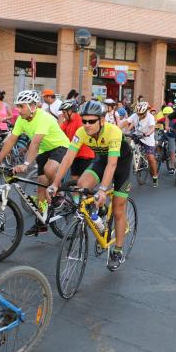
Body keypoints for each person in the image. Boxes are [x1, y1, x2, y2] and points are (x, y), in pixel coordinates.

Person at [48, 100, 132, 271]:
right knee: (81, 184)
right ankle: (97, 212)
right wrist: (55, 184)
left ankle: (117, 250)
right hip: (101, 161)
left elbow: (112, 165)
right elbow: (68, 158)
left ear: (102, 120)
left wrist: (102, 189)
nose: (86, 125)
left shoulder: (113, 131)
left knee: (117, 209)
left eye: (91, 121)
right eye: (84, 120)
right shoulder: (81, 132)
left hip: (120, 164)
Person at [0, 90, 70, 236]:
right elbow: (11, 139)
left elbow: (35, 143)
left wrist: (26, 164)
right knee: (41, 186)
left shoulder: (43, 118)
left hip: (60, 146)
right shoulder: (22, 120)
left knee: (49, 169)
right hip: (44, 150)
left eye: (22, 106)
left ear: (33, 106)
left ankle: (59, 194)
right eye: (17, 106)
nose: (18, 109)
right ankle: (42, 221)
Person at [121, 101, 158, 187]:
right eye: (138, 114)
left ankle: (155, 176)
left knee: (150, 157)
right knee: (127, 145)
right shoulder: (135, 115)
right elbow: (125, 122)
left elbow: (152, 128)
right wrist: (116, 128)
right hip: (137, 135)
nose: (140, 116)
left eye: (142, 114)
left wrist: (148, 133)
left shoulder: (150, 117)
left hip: (147, 138)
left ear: (146, 112)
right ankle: (135, 159)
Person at [58, 100, 94, 180]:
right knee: (74, 180)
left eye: (64, 112)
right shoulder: (67, 121)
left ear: (70, 111)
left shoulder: (80, 121)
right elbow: (59, 133)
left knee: (83, 184)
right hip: (74, 154)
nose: (63, 115)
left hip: (85, 155)